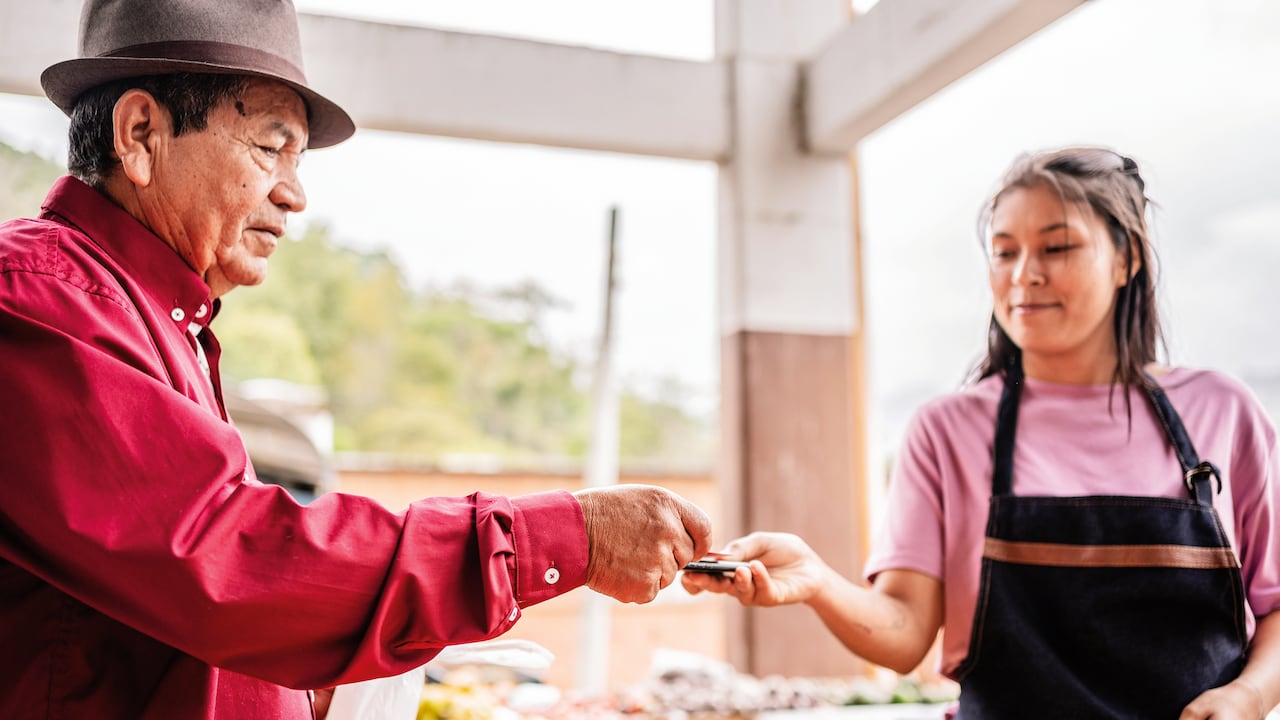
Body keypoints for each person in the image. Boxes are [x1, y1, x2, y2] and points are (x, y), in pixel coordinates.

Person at [0, 2, 712, 718]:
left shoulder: (159, 322)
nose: (295, 193)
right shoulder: (40, 301)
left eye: (299, 159)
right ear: (141, 133)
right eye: (268, 148)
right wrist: (560, 538)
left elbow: (187, 624)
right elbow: (231, 562)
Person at [684, 147, 1280, 719]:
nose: (1025, 275)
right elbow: (904, 632)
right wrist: (816, 582)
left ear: (1127, 260)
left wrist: (1250, 696)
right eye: (1004, 251)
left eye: (1057, 247)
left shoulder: (1222, 411)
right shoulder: (947, 430)